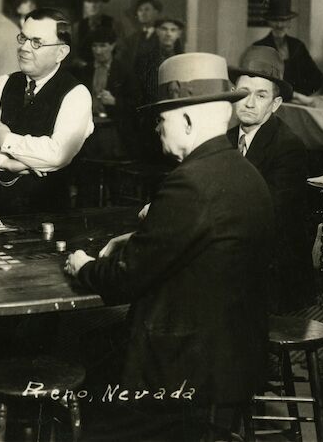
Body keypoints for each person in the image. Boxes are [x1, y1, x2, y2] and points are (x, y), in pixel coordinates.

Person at [65, 52, 273, 439]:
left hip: (181, 365)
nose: (157, 130)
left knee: (80, 384)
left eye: (162, 121)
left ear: (189, 121)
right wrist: (143, 237)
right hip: (232, 354)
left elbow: (124, 279)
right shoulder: (244, 173)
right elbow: (201, 242)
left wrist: (83, 266)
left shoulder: (190, 181)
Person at [0, 7, 93, 216]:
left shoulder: (76, 94)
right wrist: (6, 163)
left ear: (61, 52)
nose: (24, 48)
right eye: (23, 38)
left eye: (36, 42)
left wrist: (5, 139)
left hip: (47, 213)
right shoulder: (3, 83)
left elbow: (57, 154)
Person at [228, 45, 315, 313]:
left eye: (261, 95)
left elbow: (263, 215)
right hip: (237, 256)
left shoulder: (288, 147)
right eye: (243, 93)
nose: (249, 102)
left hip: (274, 276)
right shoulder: (226, 139)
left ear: (275, 104)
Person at [75, 26, 140, 162]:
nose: (98, 51)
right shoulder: (84, 71)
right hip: (88, 130)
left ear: (112, 46)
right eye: (95, 46)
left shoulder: (124, 71)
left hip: (113, 131)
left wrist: (115, 102)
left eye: (103, 46)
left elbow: (136, 105)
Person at [253, 0, 323, 103]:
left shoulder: (298, 46)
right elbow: (256, 84)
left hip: (298, 103)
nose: (279, 25)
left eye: (283, 20)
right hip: (271, 104)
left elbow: (317, 78)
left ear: (289, 22)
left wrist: (301, 96)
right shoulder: (259, 47)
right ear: (269, 22)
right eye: (275, 20)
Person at [118, 0, 162, 91]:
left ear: (156, 12)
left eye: (147, 9)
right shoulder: (132, 39)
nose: (143, 13)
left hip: (156, 86)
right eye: (140, 10)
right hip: (136, 88)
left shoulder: (162, 36)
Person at [71, 0, 120, 70]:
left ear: (102, 4)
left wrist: (110, 64)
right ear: (85, 5)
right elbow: (73, 52)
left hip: (107, 71)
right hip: (83, 72)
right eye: (89, 1)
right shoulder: (77, 26)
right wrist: (80, 63)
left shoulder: (113, 23)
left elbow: (121, 50)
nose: (93, 5)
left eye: (96, 1)